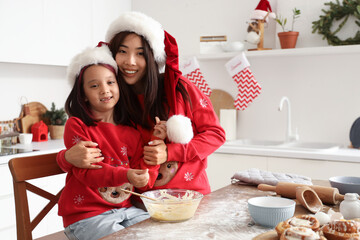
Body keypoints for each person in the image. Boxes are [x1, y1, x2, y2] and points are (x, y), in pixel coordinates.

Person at [57, 11, 226, 195]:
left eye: (140, 54)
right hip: (140, 204)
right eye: (122, 51)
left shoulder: (179, 88)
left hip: (190, 197)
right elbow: (90, 146)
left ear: (152, 58)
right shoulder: (113, 102)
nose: (130, 62)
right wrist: (65, 157)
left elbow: (215, 134)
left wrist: (170, 152)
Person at [58, 43, 165, 240]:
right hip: (86, 215)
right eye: (94, 85)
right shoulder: (77, 125)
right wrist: (128, 175)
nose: (104, 90)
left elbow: (143, 178)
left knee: (159, 233)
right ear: (83, 95)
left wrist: (155, 142)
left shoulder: (131, 131)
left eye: (110, 82)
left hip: (126, 210)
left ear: (118, 86)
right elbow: (88, 172)